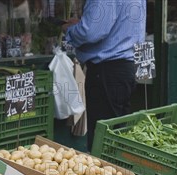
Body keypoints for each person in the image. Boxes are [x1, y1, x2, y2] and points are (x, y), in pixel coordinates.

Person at [62, 0, 147, 151]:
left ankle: (106, 173)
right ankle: (116, 173)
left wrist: (70, 29)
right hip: (126, 66)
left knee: (103, 140)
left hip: (108, 70)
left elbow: (91, 32)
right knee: (116, 136)